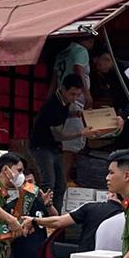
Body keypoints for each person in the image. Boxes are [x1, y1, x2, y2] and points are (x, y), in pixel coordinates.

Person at [30, 74, 94, 214]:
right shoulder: (53, 106)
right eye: (72, 94)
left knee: (61, 184)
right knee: (49, 183)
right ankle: (44, 217)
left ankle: (56, 215)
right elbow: (59, 135)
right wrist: (81, 133)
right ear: (63, 89)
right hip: (42, 147)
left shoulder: (65, 102)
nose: (75, 98)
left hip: (54, 148)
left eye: (78, 95)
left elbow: (66, 113)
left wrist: (76, 113)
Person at [53, 37, 96, 187]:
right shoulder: (80, 51)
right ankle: (63, 180)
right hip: (75, 100)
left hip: (61, 98)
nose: (92, 43)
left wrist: (49, 100)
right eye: (91, 40)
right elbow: (79, 69)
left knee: (66, 142)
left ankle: (63, 177)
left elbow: (54, 79)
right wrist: (86, 93)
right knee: (72, 144)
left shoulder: (61, 54)